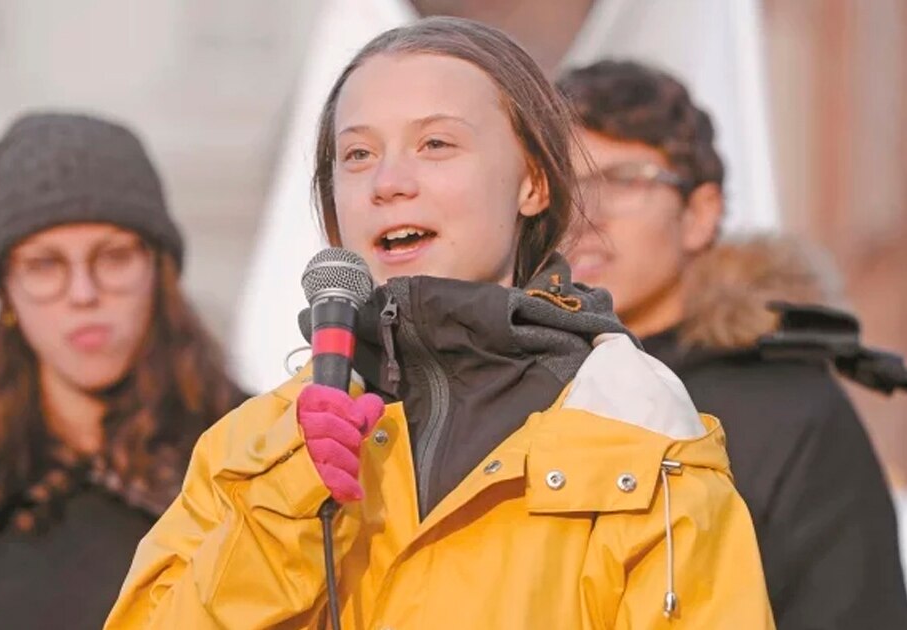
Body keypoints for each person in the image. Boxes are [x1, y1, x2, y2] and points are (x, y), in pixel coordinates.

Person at [107, 18, 774, 629]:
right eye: (358, 155)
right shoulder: (255, 449)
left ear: (533, 182)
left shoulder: (639, 432)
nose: (389, 181)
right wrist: (283, 509)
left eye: (436, 142)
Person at [556, 59, 907, 629]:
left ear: (701, 214)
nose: (583, 214)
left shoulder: (793, 410)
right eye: (563, 183)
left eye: (623, 180)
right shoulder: (513, 387)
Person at [0, 112, 246, 630]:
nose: (83, 293)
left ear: (158, 274)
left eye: (114, 256)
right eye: (45, 265)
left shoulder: (250, 463)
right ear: (7, 290)